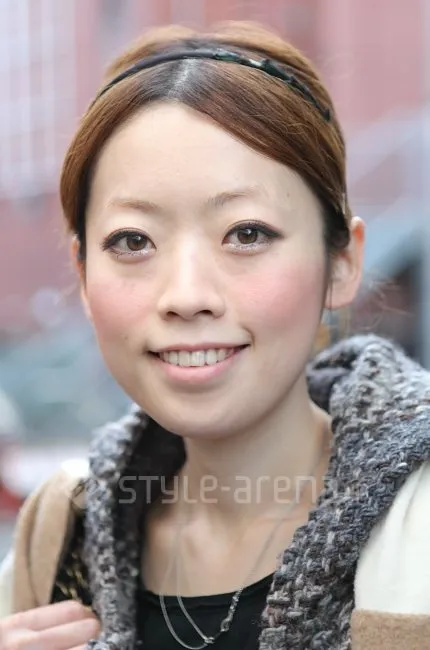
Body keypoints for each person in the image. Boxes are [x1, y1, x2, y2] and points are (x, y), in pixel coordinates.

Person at [1, 20, 430, 650]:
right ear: (83, 274)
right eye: (133, 241)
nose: (186, 296)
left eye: (246, 234)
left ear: (342, 262)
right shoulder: (63, 532)